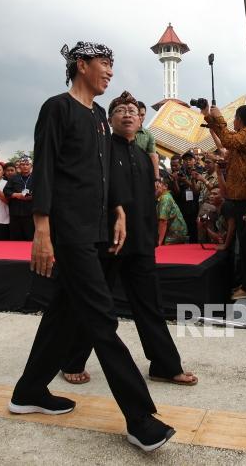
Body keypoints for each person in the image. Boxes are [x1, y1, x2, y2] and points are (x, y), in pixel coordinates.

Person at [10, 41, 174, 452]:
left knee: (64, 313)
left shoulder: (100, 116)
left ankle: (29, 391)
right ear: (80, 65)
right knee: (102, 318)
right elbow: (44, 166)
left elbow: (105, 169)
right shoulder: (57, 108)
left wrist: (118, 209)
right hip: (68, 231)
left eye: (112, 65)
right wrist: (42, 228)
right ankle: (140, 418)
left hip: (97, 228)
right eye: (104, 64)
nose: (110, 72)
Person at [61, 93, 197, 387]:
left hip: (141, 243)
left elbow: (151, 202)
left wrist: (150, 239)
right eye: (120, 110)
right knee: (97, 304)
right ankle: (71, 360)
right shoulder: (101, 150)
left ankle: (164, 365)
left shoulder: (143, 156)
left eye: (132, 111)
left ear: (141, 120)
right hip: (107, 240)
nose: (127, 114)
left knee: (150, 305)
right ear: (109, 120)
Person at [204, 103, 246, 299]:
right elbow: (228, 146)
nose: (233, 121)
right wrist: (209, 116)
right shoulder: (244, 134)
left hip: (245, 196)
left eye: (234, 118)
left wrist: (218, 118)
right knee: (243, 243)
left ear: (240, 119)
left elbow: (225, 139)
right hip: (239, 195)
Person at [3, 156, 35, 241]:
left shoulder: (36, 178)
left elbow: (42, 191)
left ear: (31, 166)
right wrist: (16, 195)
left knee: (30, 238)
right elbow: (6, 191)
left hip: (30, 214)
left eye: (27, 164)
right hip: (15, 213)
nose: (25, 166)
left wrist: (32, 197)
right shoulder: (14, 178)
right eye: (23, 164)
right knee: (15, 239)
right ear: (19, 166)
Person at [156, 177, 189, 245]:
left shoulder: (165, 198)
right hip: (171, 231)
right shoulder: (163, 196)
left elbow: (163, 221)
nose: (155, 187)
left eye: (157, 185)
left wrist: (158, 242)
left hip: (175, 233)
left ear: (165, 186)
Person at [134, 99, 160, 178]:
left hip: (142, 173)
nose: (140, 117)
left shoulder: (149, 135)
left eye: (142, 115)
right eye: (137, 114)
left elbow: (153, 157)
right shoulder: (122, 132)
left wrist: (157, 179)